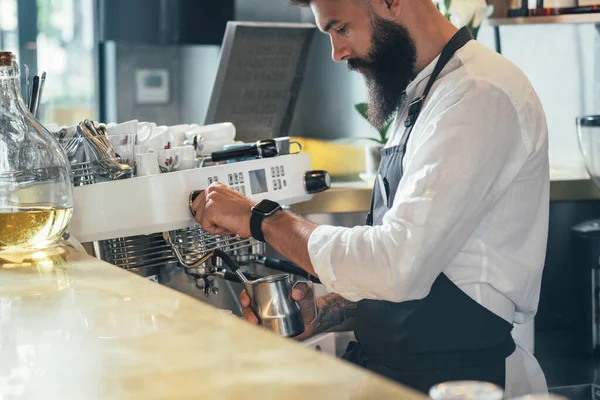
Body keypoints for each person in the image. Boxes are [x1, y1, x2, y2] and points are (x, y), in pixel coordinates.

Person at [190, 0, 549, 396]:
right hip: (401, 374)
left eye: (341, 29)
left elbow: (397, 264)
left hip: (458, 381)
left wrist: (263, 219)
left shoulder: (477, 95)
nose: (336, 52)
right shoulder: (422, 93)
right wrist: (324, 313)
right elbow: (424, 273)